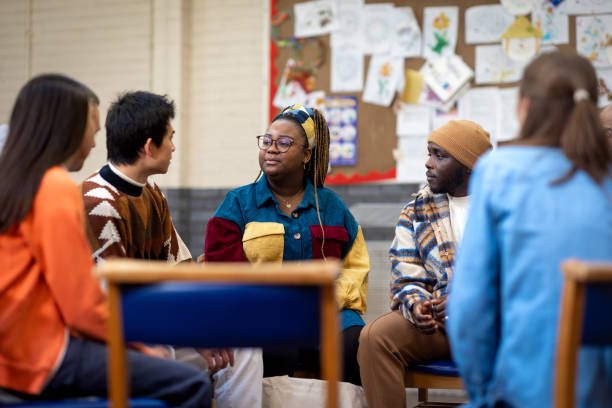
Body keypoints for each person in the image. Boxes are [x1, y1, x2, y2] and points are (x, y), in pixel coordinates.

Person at [0, 74, 211, 407]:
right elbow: (81, 305)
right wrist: (138, 346)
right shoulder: (56, 188)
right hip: (36, 355)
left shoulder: (14, 181)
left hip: (14, 348)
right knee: (191, 383)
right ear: (66, 128)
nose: (96, 144)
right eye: (92, 131)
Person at [448, 51, 612, 407]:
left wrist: (483, 393)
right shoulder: (605, 180)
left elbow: (470, 310)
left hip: (524, 391)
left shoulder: (499, 171)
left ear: (524, 107)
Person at [81, 90, 262, 407]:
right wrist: (191, 331)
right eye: (170, 138)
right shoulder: (97, 202)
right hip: (118, 336)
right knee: (163, 355)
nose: (174, 147)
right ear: (149, 147)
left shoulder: (150, 191)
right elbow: (118, 299)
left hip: (157, 325)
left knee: (243, 343)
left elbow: (179, 267)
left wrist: (203, 324)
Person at [204, 103, 370, 386]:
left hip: (329, 316)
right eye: (266, 141)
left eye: (283, 143)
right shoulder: (238, 204)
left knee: (357, 347)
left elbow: (356, 268)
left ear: (306, 155)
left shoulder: (331, 207)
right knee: (274, 347)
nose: (271, 149)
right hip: (264, 316)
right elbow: (222, 269)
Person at [358, 120, 492, 408]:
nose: (428, 163)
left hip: (494, 322)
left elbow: (517, 279)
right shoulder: (417, 209)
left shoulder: (501, 206)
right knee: (375, 337)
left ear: (469, 165)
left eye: (440, 156)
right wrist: (417, 305)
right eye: (429, 153)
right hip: (440, 325)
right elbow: (406, 274)